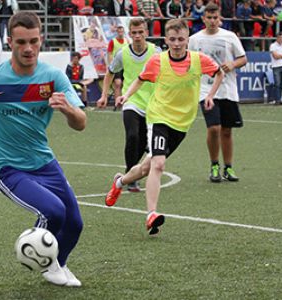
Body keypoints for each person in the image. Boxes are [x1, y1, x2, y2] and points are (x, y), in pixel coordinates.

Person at [0, 11, 87, 287]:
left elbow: (81, 123)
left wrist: (69, 110)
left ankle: (57, 263)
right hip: (8, 167)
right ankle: (37, 254)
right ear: (9, 41)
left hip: (44, 163)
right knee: (55, 212)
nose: (28, 49)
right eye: (21, 42)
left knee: (75, 223)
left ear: (41, 40)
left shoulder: (53, 78)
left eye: (34, 42)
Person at [104, 18, 224, 235]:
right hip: (158, 117)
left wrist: (211, 96)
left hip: (182, 123)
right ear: (165, 40)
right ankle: (151, 214)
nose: (176, 43)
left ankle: (120, 182)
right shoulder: (157, 61)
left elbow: (219, 73)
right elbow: (140, 79)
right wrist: (125, 96)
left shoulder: (199, 60)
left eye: (180, 39)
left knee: (146, 168)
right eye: (172, 39)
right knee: (158, 164)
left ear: (187, 39)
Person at [96, 18, 161, 192]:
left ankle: (129, 173)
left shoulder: (156, 52)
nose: (138, 36)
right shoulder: (122, 53)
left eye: (141, 32)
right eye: (134, 33)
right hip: (130, 100)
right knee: (132, 136)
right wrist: (104, 95)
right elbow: (109, 73)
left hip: (153, 104)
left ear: (146, 32)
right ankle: (132, 178)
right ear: (129, 34)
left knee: (145, 142)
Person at [188, 3, 247, 183]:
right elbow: (189, 62)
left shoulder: (229, 37)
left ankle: (228, 167)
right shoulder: (195, 39)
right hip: (206, 91)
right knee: (214, 128)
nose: (212, 21)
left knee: (227, 131)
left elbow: (243, 58)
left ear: (219, 18)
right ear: (203, 18)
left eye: (215, 18)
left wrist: (232, 64)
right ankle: (214, 165)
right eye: (209, 18)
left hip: (227, 90)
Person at [106, 24, 128, 103]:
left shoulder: (127, 41)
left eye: (122, 31)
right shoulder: (113, 41)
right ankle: (117, 103)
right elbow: (109, 53)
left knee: (126, 84)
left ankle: (125, 102)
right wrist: (111, 64)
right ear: (117, 32)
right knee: (118, 84)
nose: (120, 33)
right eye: (119, 31)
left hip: (125, 65)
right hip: (117, 65)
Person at [269, 31, 282, 105]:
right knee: (277, 84)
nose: (281, 39)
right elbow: (275, 56)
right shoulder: (273, 45)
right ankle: (277, 100)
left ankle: (279, 99)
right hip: (275, 66)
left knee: (281, 84)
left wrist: (280, 55)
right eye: (280, 37)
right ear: (277, 38)